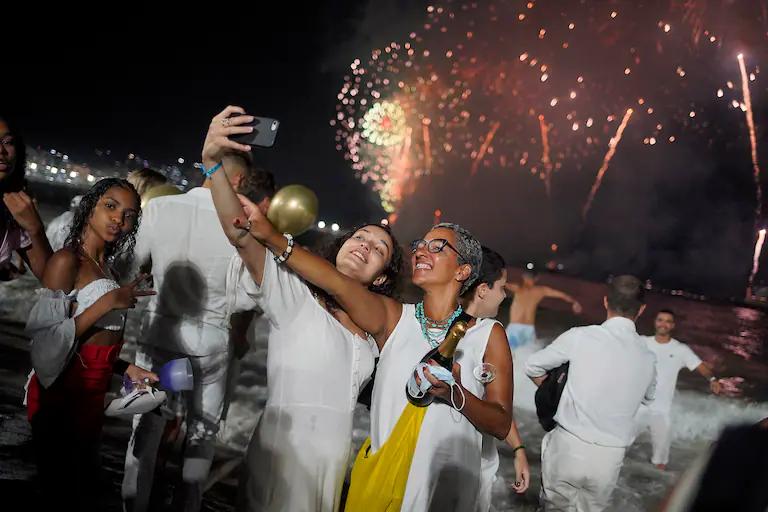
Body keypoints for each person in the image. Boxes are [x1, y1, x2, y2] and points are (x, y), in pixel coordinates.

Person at [205, 105, 515, 510]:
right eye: (420, 244)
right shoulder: (358, 310)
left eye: (380, 247)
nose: (422, 250)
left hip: (358, 467)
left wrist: (457, 394)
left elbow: (500, 419)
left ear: (463, 271)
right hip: (293, 457)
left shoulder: (400, 331)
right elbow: (255, 242)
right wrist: (214, 167)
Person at [202, 108, 404, 511]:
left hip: (331, 462)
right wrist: (211, 165)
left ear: (382, 277)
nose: (364, 244)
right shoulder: (295, 295)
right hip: (283, 452)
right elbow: (241, 234)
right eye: (359, 236)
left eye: (378, 248)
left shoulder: (375, 327)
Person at [121, 153, 275, 512]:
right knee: (200, 438)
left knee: (145, 434)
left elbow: (129, 269)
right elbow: (250, 295)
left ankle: (133, 506)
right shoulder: (237, 228)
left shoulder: (161, 209)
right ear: (236, 182)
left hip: (160, 336)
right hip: (210, 344)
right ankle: (187, 505)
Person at [24, 177, 158, 510]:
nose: (119, 220)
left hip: (90, 397)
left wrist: (128, 368)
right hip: (61, 397)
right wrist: (107, 303)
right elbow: (46, 345)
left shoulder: (106, 268)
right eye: (110, 207)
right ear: (89, 207)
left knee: (80, 491)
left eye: (128, 215)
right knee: (65, 493)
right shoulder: (67, 262)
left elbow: (86, 343)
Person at [525, 275, 656, 512]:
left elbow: (532, 365)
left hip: (568, 446)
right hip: (609, 457)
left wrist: (553, 392)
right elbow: (648, 398)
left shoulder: (580, 336)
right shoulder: (648, 357)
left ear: (606, 302)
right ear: (642, 309)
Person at [462, 247, 530, 511]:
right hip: (466, 469)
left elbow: (496, 405)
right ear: (482, 289)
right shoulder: (488, 332)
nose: (504, 296)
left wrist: (518, 448)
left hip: (477, 463)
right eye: (502, 288)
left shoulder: (490, 334)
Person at [635, 309, 722, 470]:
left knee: (660, 460)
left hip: (661, 411)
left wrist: (712, 379)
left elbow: (700, 366)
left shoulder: (680, 349)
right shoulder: (642, 342)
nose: (663, 324)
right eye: (660, 320)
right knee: (617, 444)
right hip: (637, 407)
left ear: (672, 326)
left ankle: (654, 485)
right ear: (655, 322)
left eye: (668, 321)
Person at [0, 114, 52, 281]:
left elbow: (51, 279)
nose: (1, 150)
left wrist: (35, 228)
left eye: (8, 142)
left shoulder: (12, 208)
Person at [504, 271, 582, 349]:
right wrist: (575, 302)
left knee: (507, 354)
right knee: (526, 356)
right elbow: (562, 295)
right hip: (529, 329)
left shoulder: (518, 288)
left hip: (514, 327)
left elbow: (501, 284)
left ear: (523, 277)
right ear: (536, 279)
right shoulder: (541, 291)